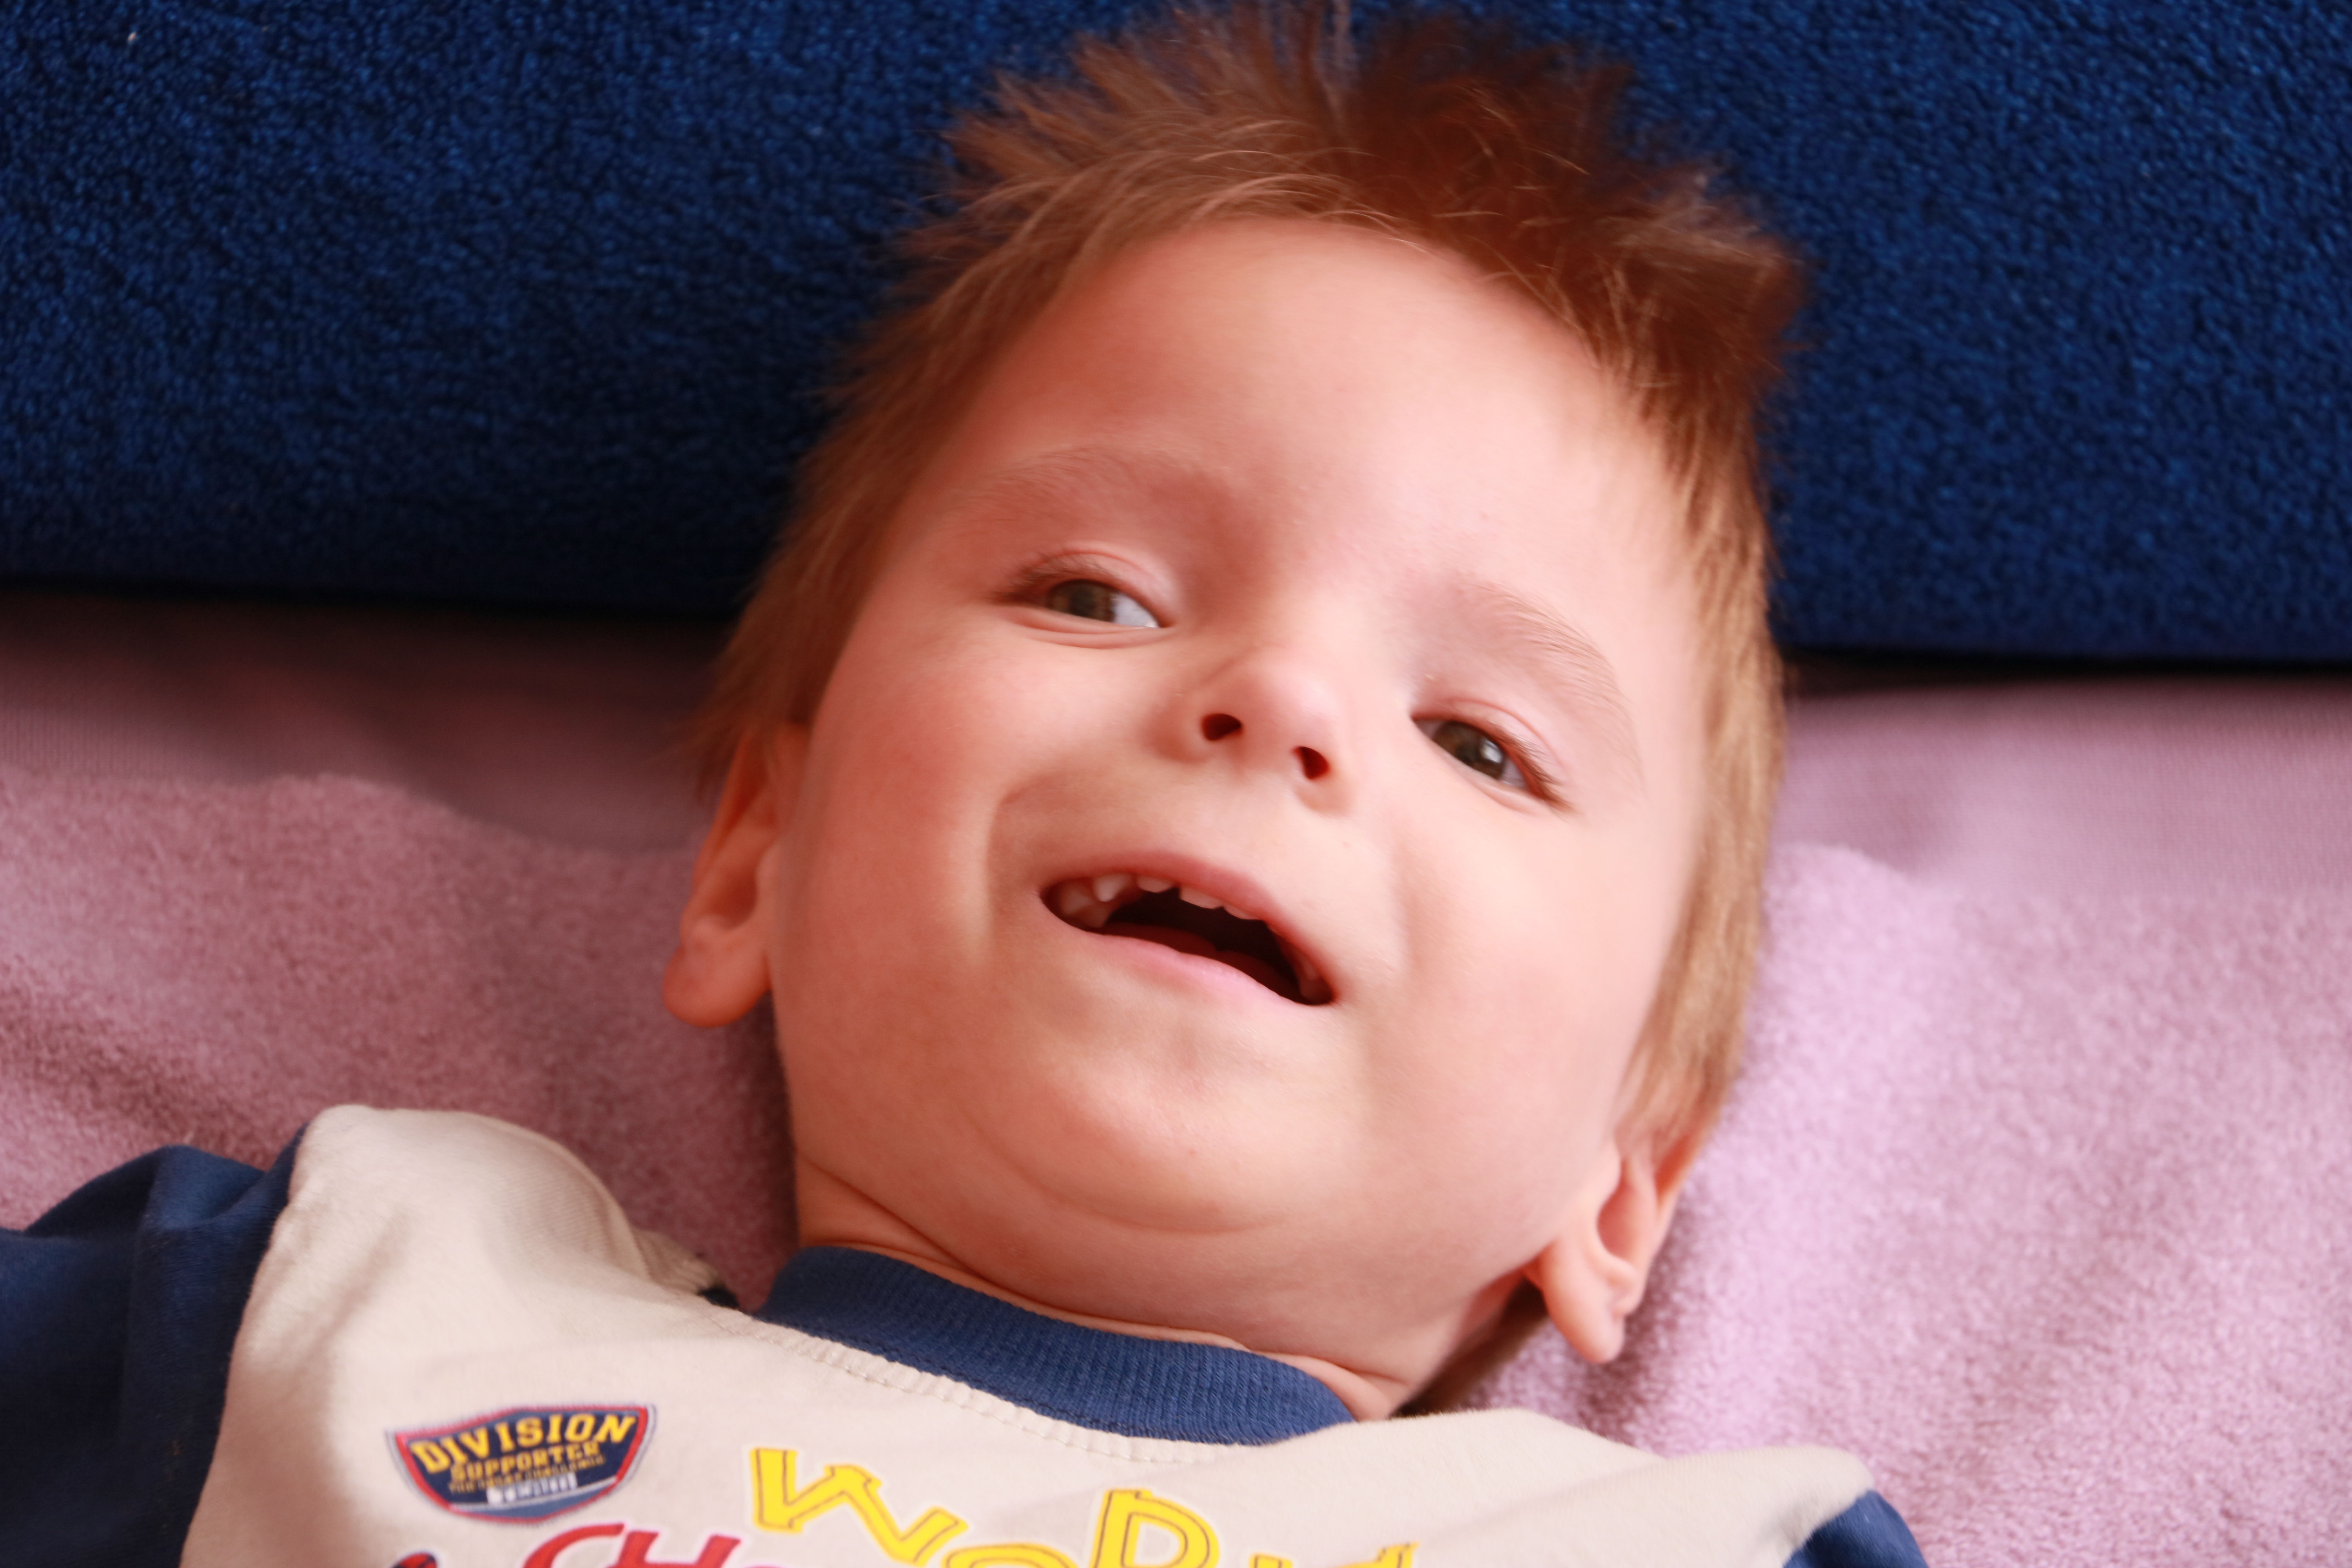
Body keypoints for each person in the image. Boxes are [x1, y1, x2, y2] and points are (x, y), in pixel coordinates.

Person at [2, 6, 1928, 1565]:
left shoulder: (1675, 1545)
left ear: (1624, 1180)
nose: (1277, 699)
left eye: (1481, 741)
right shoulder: (351, 1308)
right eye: (1095, 593)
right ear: (754, 858)